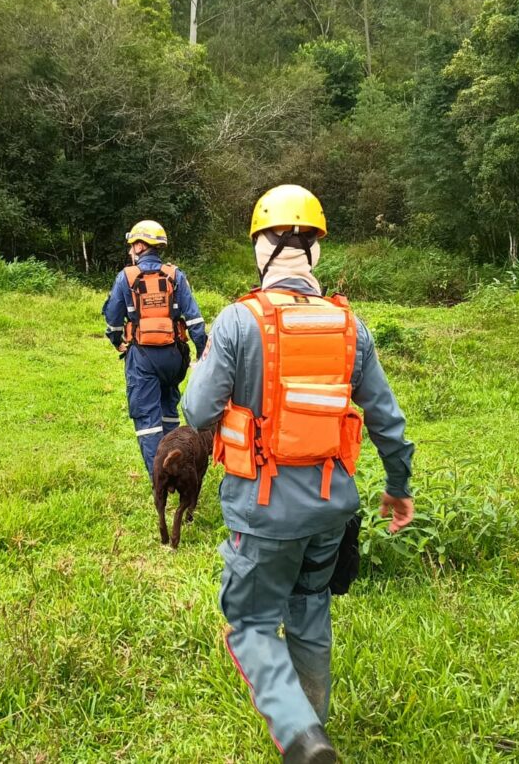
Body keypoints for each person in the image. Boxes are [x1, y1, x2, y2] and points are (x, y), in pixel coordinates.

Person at [182, 185, 415, 764]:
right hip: (332, 508)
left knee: (251, 625)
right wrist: (398, 488)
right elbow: (386, 418)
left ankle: (302, 737)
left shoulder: (238, 321)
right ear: (315, 251)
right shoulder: (348, 326)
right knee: (310, 608)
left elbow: (197, 411)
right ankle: (317, 722)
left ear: (261, 247)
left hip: (263, 514)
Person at [103, 220, 208, 480]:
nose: (130, 252)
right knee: (168, 413)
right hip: (173, 358)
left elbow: (113, 318)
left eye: (132, 246)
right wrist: (203, 352)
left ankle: (160, 478)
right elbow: (194, 319)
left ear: (140, 245)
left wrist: (116, 340)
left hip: (142, 358)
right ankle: (178, 468)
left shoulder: (126, 277)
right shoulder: (175, 275)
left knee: (147, 420)